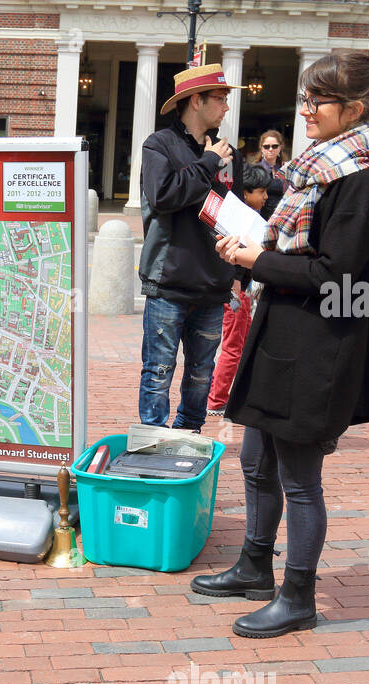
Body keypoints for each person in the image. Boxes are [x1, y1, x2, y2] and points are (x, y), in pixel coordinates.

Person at [193, 51, 369, 638]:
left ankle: (299, 595)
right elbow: (300, 255)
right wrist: (251, 248)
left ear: (354, 110)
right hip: (283, 331)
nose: (305, 110)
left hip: (318, 346)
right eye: (305, 99)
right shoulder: (319, 166)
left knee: (299, 478)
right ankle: (255, 567)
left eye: (318, 101)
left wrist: (259, 259)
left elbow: (338, 276)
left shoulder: (357, 178)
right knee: (256, 458)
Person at [137, 63, 245, 432]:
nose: (226, 107)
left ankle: (189, 436)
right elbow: (164, 195)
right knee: (158, 371)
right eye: (220, 98)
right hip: (169, 281)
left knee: (202, 374)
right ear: (196, 100)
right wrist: (209, 162)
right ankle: (152, 440)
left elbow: (236, 213)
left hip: (214, 285)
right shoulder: (159, 145)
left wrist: (239, 272)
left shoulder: (229, 154)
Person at [207, 163, 272, 415]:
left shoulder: (247, 218)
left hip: (240, 291)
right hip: (236, 293)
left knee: (236, 345)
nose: (265, 197)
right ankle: (217, 400)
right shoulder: (239, 221)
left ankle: (218, 396)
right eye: (261, 192)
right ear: (246, 193)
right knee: (233, 347)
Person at [256, 130, 288, 219]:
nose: (270, 149)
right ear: (262, 148)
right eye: (266, 146)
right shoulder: (256, 170)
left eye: (274, 146)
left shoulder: (286, 169)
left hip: (282, 217)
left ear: (280, 148)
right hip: (262, 217)